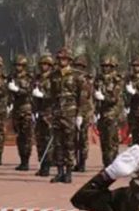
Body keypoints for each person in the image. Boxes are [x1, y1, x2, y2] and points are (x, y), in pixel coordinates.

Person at [49, 48, 83, 184]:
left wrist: (80, 115)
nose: (61, 61)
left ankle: (69, 172)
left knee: (69, 144)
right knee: (57, 144)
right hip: (57, 113)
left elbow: (82, 97)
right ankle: (60, 172)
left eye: (64, 59)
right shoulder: (54, 75)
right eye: (59, 59)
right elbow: (52, 95)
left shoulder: (77, 76)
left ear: (69, 60)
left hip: (70, 114)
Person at [93, 56, 125, 167]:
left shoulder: (117, 79)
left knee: (112, 141)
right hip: (102, 114)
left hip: (113, 114)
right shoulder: (99, 79)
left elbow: (114, 98)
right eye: (103, 66)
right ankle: (106, 164)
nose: (105, 68)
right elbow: (94, 95)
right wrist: (94, 111)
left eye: (108, 66)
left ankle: (113, 164)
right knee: (104, 141)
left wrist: (103, 97)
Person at [7, 55, 35, 171]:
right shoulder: (12, 77)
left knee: (26, 137)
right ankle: (22, 160)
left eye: (20, 65)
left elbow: (29, 92)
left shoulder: (29, 78)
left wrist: (17, 89)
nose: (18, 67)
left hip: (26, 109)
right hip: (16, 110)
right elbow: (8, 93)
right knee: (19, 137)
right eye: (16, 65)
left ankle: (26, 161)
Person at [32, 55, 56, 177]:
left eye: (45, 64)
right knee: (39, 140)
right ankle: (42, 164)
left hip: (49, 113)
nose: (43, 66)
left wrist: (43, 95)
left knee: (48, 141)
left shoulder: (53, 79)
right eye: (41, 64)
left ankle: (47, 165)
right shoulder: (37, 78)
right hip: (39, 112)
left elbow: (55, 95)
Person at [73, 56, 97, 173]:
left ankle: (82, 163)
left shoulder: (85, 79)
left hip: (85, 112)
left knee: (82, 138)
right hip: (73, 111)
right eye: (76, 66)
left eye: (80, 66)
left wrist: (80, 114)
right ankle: (75, 162)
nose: (78, 69)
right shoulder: (73, 78)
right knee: (73, 139)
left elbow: (84, 98)